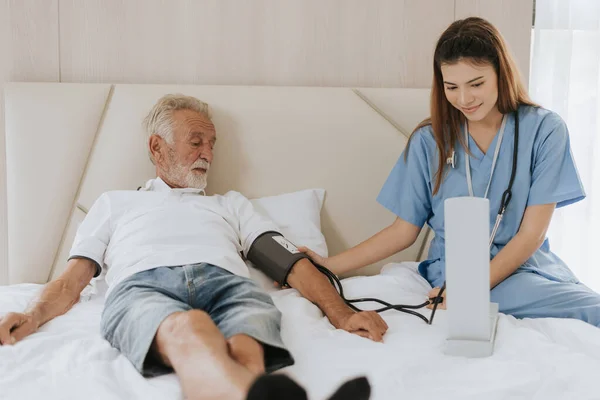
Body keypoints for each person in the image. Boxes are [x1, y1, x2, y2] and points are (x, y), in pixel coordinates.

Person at [0, 94, 386, 400]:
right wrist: (32, 315)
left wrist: (342, 313)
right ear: (157, 147)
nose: (208, 153)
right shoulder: (115, 203)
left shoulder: (230, 204)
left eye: (212, 144)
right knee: (190, 327)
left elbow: (290, 263)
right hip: (144, 285)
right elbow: (72, 282)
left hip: (227, 284)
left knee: (245, 346)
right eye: (196, 141)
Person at [300, 17, 600, 327]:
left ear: (501, 73)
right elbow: (403, 231)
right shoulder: (429, 141)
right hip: (456, 272)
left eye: (476, 84)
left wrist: (471, 290)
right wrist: (327, 265)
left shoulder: (545, 130)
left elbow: (532, 235)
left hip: (524, 266)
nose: (464, 99)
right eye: (451, 87)